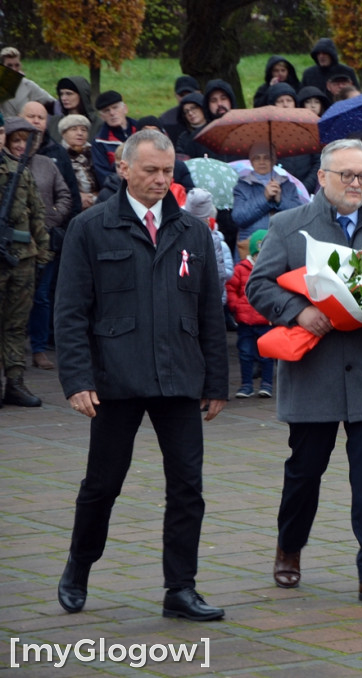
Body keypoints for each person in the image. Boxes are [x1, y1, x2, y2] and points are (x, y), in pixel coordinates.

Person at [54, 129, 229, 620]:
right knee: (102, 483)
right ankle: (79, 566)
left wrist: (216, 382)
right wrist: (77, 379)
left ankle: (181, 588)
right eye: (150, 170)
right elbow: (70, 312)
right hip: (115, 380)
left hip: (179, 377)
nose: (159, 180)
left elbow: (210, 314)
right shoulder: (90, 228)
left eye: (167, 171)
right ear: (124, 169)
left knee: (187, 486)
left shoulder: (192, 230)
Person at [246, 139, 362, 604]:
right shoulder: (289, 225)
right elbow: (258, 286)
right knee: (305, 471)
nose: (358, 183)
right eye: (348, 176)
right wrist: (298, 312)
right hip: (314, 369)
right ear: (322, 178)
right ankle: (290, 546)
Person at [4, 116, 72, 372]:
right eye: (16, 140)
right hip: (9, 248)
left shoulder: (45, 164)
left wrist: (51, 218)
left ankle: (36, 352)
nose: (22, 145)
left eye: (26, 139)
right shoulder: (6, 167)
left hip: (39, 243)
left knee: (39, 298)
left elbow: (64, 195)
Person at [0, 114, 53, 407]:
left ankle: (15, 382)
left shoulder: (20, 171)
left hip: (21, 259)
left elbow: (37, 214)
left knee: (16, 323)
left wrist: (43, 252)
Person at [231, 141, 303, 256]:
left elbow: (299, 216)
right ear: (251, 161)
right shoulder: (242, 186)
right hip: (250, 249)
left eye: (267, 158)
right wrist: (265, 198)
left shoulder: (288, 185)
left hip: (282, 247)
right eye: (256, 158)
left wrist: (280, 201)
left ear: (274, 160)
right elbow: (239, 217)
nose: (262, 162)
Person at [226, 228, 274, 399]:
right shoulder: (241, 269)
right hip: (245, 320)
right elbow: (231, 289)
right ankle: (246, 385)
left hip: (264, 320)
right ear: (253, 253)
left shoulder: (271, 269)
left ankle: (266, 384)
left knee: (267, 354)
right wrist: (236, 306)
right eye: (258, 254)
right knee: (245, 353)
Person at [91, 91, 139, 185]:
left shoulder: (142, 131)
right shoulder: (99, 142)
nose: (112, 113)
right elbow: (104, 176)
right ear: (102, 117)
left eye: (115, 107)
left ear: (125, 108)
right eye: (106, 110)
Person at [0, 47, 56, 120]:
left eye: (17, 65)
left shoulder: (28, 85)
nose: (14, 69)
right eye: (9, 65)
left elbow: (51, 102)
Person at [59, 114, 99, 212]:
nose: (80, 133)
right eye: (74, 129)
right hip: (69, 204)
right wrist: (77, 196)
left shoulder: (95, 152)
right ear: (64, 133)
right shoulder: (58, 155)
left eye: (83, 130)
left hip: (97, 201)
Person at [48, 76, 100, 144]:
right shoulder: (54, 122)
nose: (64, 98)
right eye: (61, 94)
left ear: (82, 95)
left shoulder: (97, 124)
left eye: (69, 94)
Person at [156, 75, 201, 145]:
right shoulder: (166, 120)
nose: (186, 98)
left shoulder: (211, 118)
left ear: (199, 93)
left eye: (190, 94)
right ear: (176, 95)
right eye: (182, 95)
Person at [174, 93, 208, 160]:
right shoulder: (183, 138)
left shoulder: (214, 130)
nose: (190, 113)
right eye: (186, 111)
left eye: (193, 108)